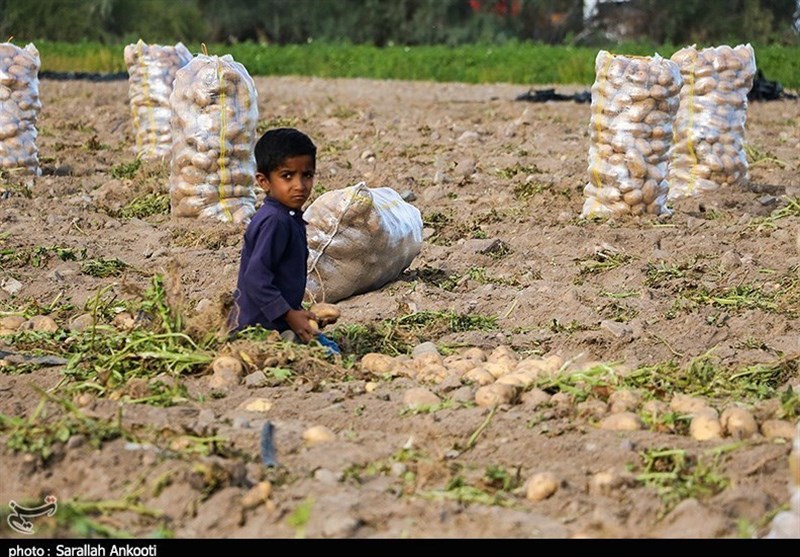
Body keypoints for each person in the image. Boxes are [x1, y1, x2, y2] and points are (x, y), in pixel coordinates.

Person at [229, 127, 339, 355]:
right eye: (287, 176)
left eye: (307, 175)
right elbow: (256, 278)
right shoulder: (275, 222)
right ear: (264, 181)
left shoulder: (287, 217)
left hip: (276, 319)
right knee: (325, 353)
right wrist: (289, 315)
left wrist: (295, 311)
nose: (299, 185)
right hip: (259, 327)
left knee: (325, 345)